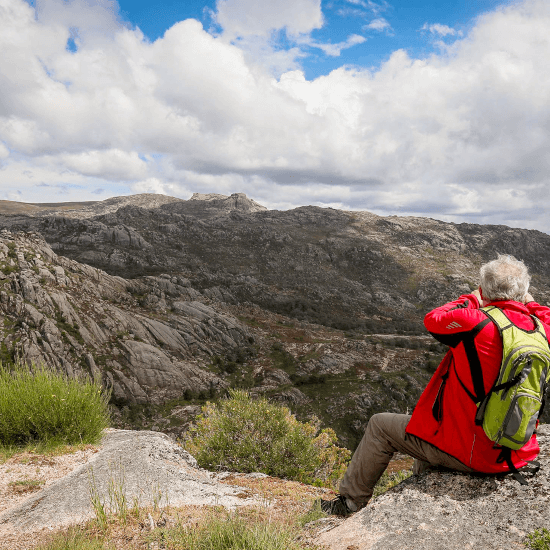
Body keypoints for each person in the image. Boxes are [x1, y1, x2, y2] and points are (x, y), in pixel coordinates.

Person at [321, 254, 550, 516]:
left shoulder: (474, 322)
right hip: (517, 453)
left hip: (473, 453)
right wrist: (530, 303)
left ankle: (348, 504)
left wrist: (474, 298)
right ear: (523, 292)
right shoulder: (541, 329)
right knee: (429, 422)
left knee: (379, 426)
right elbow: (545, 314)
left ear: (486, 289)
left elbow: (435, 318)